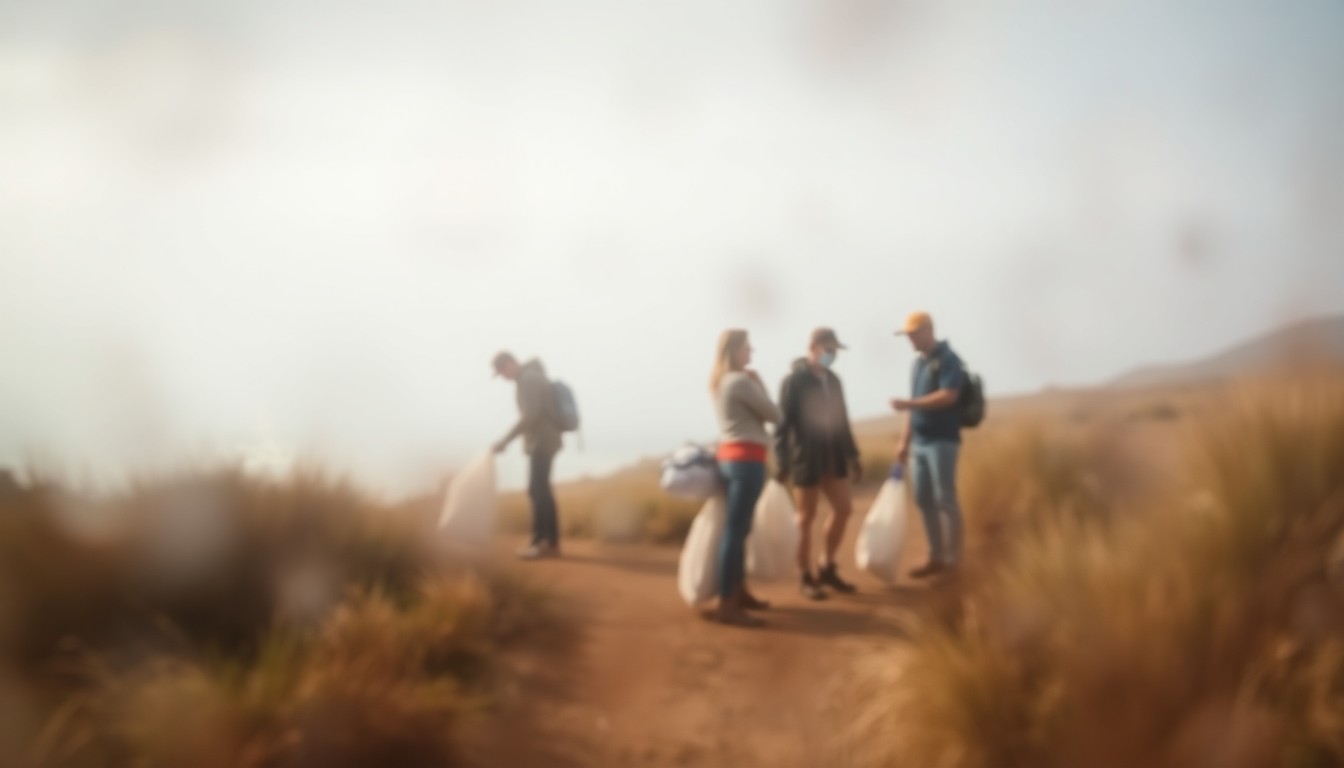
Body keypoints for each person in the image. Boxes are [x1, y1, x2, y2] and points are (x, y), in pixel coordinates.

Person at [775, 327, 863, 601]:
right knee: (805, 518)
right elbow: (782, 424)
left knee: (844, 509)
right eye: (828, 350)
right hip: (806, 458)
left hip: (834, 456)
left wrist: (853, 455)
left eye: (835, 351)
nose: (832, 355)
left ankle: (827, 565)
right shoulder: (794, 381)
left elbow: (843, 419)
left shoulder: (834, 380)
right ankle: (805, 575)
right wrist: (782, 461)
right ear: (813, 347)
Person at [710, 329, 781, 627]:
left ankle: (739, 592)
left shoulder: (720, 381)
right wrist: (761, 384)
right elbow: (775, 415)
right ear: (736, 350)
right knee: (736, 532)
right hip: (746, 461)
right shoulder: (741, 381)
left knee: (738, 530)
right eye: (747, 348)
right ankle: (727, 602)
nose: (751, 353)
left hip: (729, 459)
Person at [891, 312, 966, 578]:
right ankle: (936, 557)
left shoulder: (948, 359)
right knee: (923, 499)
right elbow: (912, 407)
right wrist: (904, 442)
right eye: (907, 335)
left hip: (942, 441)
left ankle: (954, 563)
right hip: (920, 443)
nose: (909, 339)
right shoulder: (918, 364)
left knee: (945, 499)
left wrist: (909, 404)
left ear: (927, 331)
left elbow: (949, 396)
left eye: (912, 334)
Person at [491, 351, 564, 560]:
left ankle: (541, 543)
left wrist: (505, 440)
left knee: (538, 491)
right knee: (542, 490)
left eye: (502, 371)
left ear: (511, 364)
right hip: (545, 440)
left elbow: (530, 415)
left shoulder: (527, 380)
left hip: (541, 441)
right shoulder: (531, 377)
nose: (503, 376)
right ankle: (550, 543)